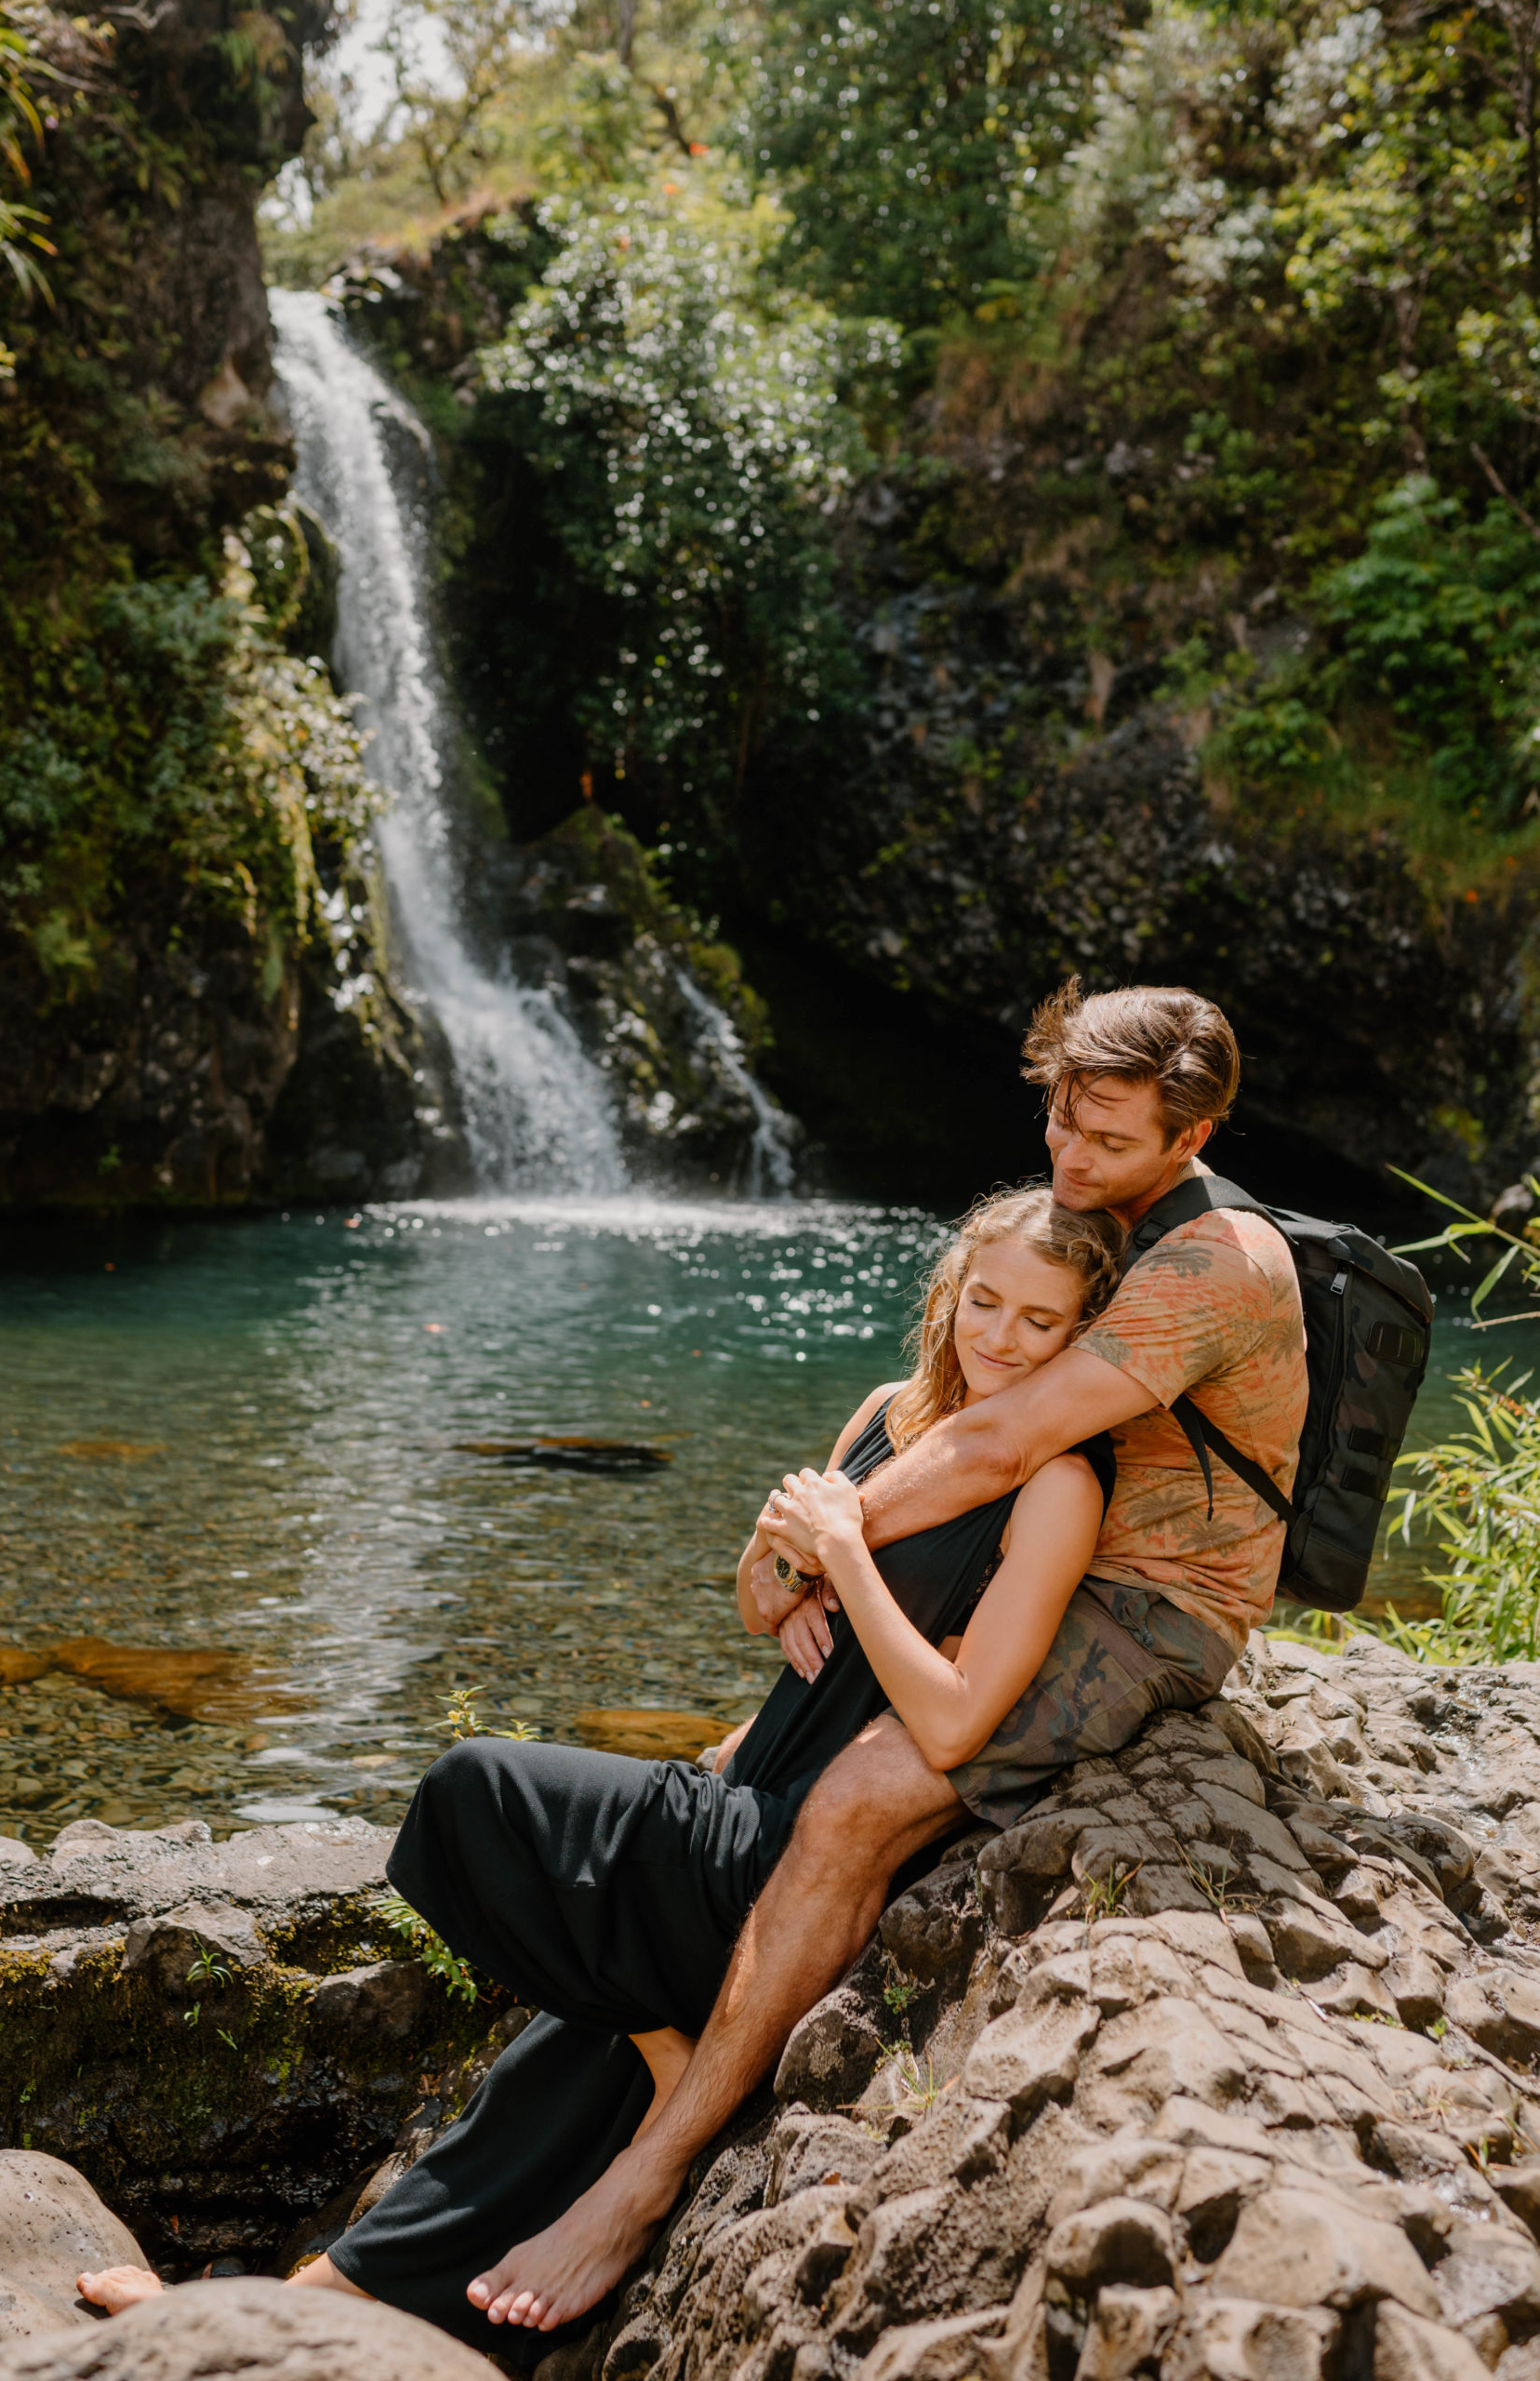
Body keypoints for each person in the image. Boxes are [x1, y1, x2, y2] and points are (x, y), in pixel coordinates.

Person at [77, 1183, 1125, 2350]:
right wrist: (778, 1577)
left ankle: (657, 2068)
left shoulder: (1056, 1486)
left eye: (1040, 1321)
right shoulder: (889, 1413)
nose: (1000, 1335)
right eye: (984, 1300)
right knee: (552, 2077)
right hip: (739, 1785)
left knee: (475, 1791)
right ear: (949, 1293)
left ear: (1087, 1337)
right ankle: (315, 2302)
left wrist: (842, 1553)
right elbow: (751, 1596)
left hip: (778, 1847)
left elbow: (952, 1720)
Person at [463, 977, 1307, 2337]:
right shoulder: (1103, 1219)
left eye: (1103, 1143)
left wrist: (812, 1540)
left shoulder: (1214, 1264)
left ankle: (651, 2172)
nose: (1067, 1163)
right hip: (1044, 1549)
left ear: (1192, 1131)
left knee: (858, 1796)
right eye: (1057, 1125)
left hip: (1149, 1606)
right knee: (747, 1753)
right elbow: (970, 1418)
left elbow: (996, 1444)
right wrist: (789, 1553)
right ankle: (659, 2009)